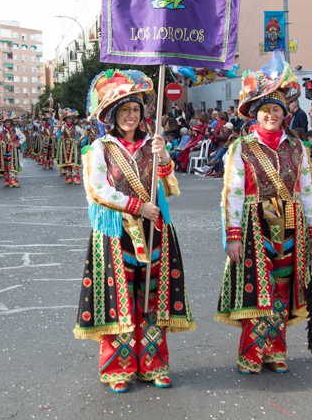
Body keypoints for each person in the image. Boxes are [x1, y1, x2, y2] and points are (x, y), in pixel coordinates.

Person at [75, 69, 194, 392]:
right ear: (113, 114)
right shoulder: (100, 147)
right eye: (124, 109)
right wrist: (138, 206)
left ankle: (154, 363)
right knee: (121, 299)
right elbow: (98, 189)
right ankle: (119, 367)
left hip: (154, 229)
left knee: (152, 299)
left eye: (136, 109)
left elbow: (168, 186)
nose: (131, 115)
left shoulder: (152, 144)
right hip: (117, 232)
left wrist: (164, 155)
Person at [216, 54, 312, 374]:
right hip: (254, 221)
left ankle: (276, 349)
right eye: (265, 110)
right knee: (257, 287)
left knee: (282, 285)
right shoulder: (243, 148)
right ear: (255, 115)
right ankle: (250, 353)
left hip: (290, 220)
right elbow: (233, 194)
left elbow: (307, 189)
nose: (271, 115)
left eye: (276, 109)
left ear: (284, 112)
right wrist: (232, 236)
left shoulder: (296, 147)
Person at [0, 112, 25, 188]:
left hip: (12, 150)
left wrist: (17, 144)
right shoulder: (1, 129)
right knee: (5, 165)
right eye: (6, 122)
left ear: (11, 122)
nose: (7, 123)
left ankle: (13, 181)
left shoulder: (15, 130)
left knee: (11, 165)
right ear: (4, 123)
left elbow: (23, 137)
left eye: (8, 122)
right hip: (3, 149)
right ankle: (7, 180)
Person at [56, 109, 85, 185]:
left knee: (74, 162)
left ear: (72, 120)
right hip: (65, 146)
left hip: (73, 146)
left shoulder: (76, 127)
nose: (69, 120)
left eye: (70, 119)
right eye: (68, 119)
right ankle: (68, 177)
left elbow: (83, 134)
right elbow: (59, 134)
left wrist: (78, 141)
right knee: (67, 163)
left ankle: (75, 178)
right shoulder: (63, 127)